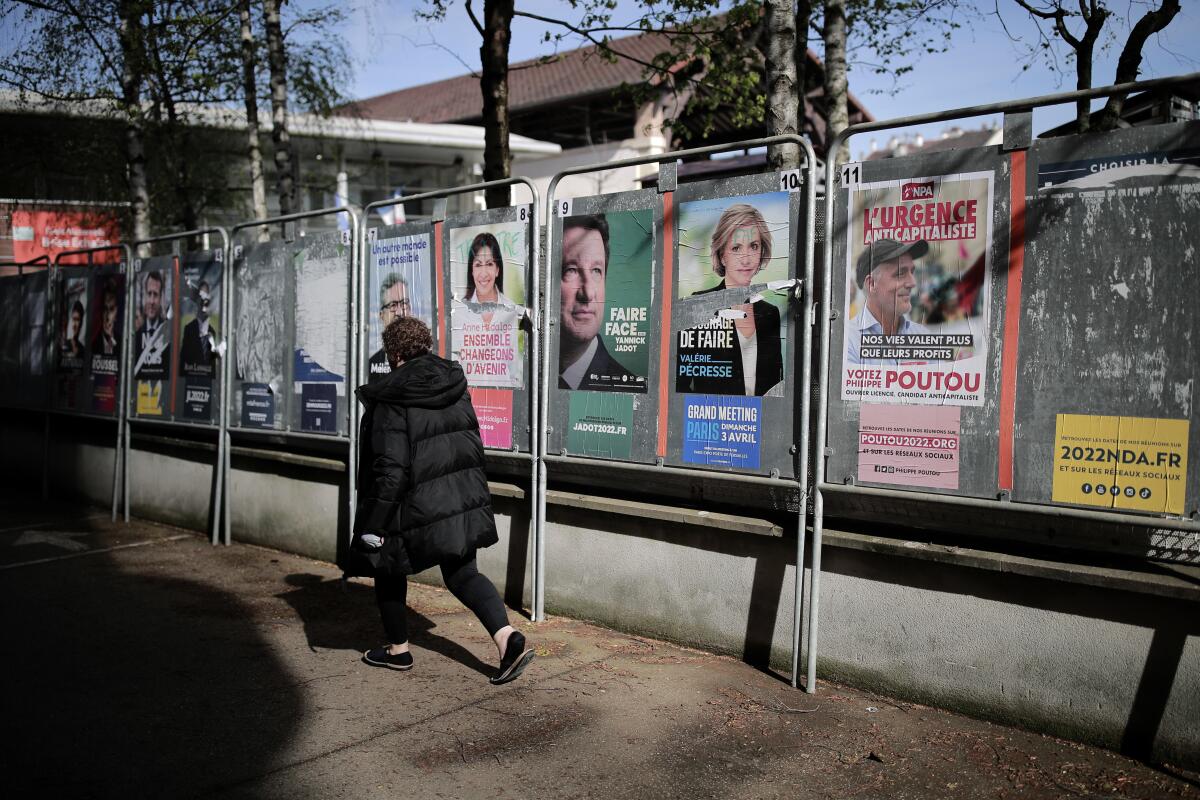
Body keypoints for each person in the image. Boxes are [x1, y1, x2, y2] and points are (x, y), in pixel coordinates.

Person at [348, 316, 534, 684]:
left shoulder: (392, 396)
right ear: (425, 346)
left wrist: (372, 523)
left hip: (410, 503)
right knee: (463, 573)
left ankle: (398, 651)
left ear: (395, 353)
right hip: (459, 497)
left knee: (387, 565)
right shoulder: (453, 383)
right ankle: (507, 639)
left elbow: (391, 470)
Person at [685, 203, 783, 396]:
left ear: (762, 251)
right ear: (722, 256)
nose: (746, 259)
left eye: (754, 246)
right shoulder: (699, 305)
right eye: (736, 248)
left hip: (758, 422)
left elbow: (776, 384)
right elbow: (680, 383)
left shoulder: (770, 313)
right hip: (712, 420)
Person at [557, 215, 637, 390]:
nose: (587, 293)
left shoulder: (630, 389)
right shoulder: (528, 375)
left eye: (596, 270)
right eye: (571, 270)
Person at [846, 237, 930, 365]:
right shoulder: (848, 341)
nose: (912, 283)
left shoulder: (923, 336)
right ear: (872, 284)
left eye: (912, 272)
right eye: (900, 273)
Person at [368, 273, 410, 382]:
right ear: (382, 315)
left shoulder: (425, 358)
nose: (400, 312)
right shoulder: (372, 364)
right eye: (393, 305)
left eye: (404, 303)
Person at [134, 270, 169, 378]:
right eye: (149, 294)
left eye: (156, 295)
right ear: (144, 296)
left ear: (161, 298)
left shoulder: (168, 335)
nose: (152, 301)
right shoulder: (137, 336)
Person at [180, 280, 218, 376]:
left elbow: (212, 368)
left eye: (206, 299)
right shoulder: (189, 329)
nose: (203, 303)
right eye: (201, 298)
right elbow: (183, 364)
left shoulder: (212, 332)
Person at [91, 280, 119, 356]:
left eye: (111, 309)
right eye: (105, 309)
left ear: (116, 312)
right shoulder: (92, 345)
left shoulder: (122, 343)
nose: (107, 317)